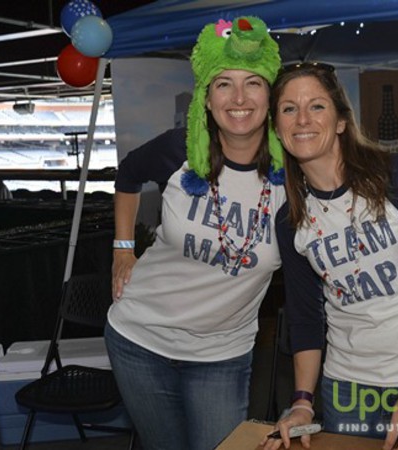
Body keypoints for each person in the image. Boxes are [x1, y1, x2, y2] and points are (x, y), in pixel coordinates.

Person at [262, 63, 398, 450]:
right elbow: (306, 318)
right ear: (277, 127)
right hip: (348, 389)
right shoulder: (291, 220)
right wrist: (303, 402)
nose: (303, 119)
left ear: (341, 121)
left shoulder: (396, 176)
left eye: (317, 106)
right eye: (289, 109)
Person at [104, 16, 286, 450]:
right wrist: (123, 247)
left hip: (221, 357)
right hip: (139, 340)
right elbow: (128, 174)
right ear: (206, 96)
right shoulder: (179, 150)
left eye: (253, 83)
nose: (238, 98)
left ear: (270, 96)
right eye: (224, 84)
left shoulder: (293, 177)